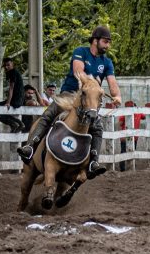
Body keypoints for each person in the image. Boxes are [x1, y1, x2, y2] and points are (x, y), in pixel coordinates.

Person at [17, 25, 122, 179]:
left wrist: (117, 96)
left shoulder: (107, 62)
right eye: (106, 42)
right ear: (95, 41)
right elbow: (78, 71)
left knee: (98, 127)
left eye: (109, 42)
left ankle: (93, 162)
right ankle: (30, 147)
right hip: (69, 94)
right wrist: (91, 83)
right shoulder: (80, 52)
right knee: (49, 114)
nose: (108, 45)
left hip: (89, 101)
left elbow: (112, 84)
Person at [0, 57, 25, 133]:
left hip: (16, 100)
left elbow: (11, 88)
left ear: (12, 64)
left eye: (8, 65)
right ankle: (16, 123)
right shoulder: (14, 72)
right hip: (18, 99)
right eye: (5, 66)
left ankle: (15, 123)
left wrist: (8, 102)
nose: (7, 67)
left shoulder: (13, 72)